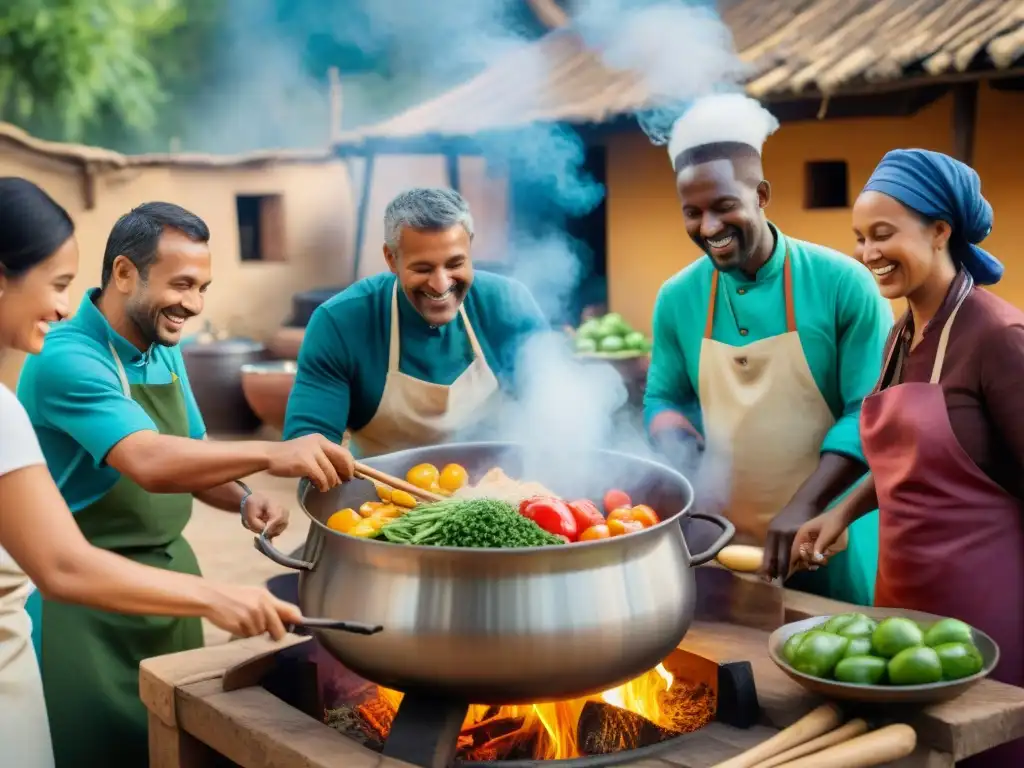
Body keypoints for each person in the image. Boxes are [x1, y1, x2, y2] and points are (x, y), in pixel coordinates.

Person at [15, 198, 355, 768]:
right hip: (90, 603)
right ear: (125, 273)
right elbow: (148, 461)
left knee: (173, 749)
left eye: (202, 286)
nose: (194, 304)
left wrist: (244, 497)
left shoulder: (163, 347)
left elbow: (191, 457)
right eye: (181, 285)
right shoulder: (66, 358)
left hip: (171, 592)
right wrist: (276, 454)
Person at [792, 149, 1024, 766]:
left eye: (884, 234)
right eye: (860, 238)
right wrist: (842, 513)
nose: (868, 253)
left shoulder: (997, 337)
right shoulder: (901, 334)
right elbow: (908, 461)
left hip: (982, 610)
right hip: (896, 602)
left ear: (941, 230)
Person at [643, 93, 893, 604]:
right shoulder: (677, 298)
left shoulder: (844, 283)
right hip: (723, 540)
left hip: (828, 533)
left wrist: (803, 506)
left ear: (761, 194)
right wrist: (688, 463)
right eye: (692, 212)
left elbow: (868, 412)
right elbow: (662, 398)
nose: (708, 227)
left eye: (724, 206)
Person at [284, 186, 548, 457]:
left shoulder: (508, 303)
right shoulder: (340, 322)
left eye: (455, 264)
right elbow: (307, 447)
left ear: (470, 244)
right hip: (381, 495)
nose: (441, 284)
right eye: (423, 269)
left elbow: (553, 408)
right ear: (391, 258)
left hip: (500, 489)